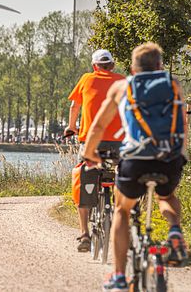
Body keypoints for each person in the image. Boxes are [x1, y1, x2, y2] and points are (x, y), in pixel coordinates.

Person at [82, 43, 188, 291]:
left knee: (122, 210)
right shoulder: (174, 85)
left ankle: (119, 275)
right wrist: (179, 154)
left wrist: (89, 154)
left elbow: (97, 127)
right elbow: (182, 123)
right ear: (160, 66)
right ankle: (174, 232)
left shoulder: (122, 86)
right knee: (167, 196)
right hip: (169, 158)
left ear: (132, 68)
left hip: (135, 160)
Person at [64, 49, 125, 253]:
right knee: (125, 174)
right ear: (113, 65)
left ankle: (84, 234)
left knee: (84, 178)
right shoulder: (123, 81)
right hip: (119, 144)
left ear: (94, 66)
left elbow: (75, 107)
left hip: (92, 144)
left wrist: (72, 127)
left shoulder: (86, 79)